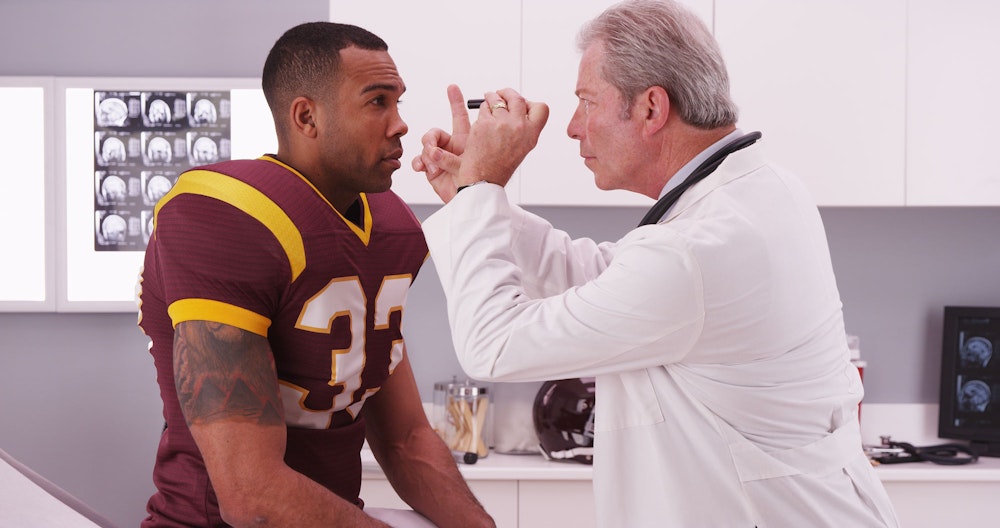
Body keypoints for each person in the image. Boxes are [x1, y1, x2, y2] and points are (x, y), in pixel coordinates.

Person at [412, 0, 900, 526]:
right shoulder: (764, 193)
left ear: (650, 108)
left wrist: (482, 189)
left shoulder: (693, 253)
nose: (573, 127)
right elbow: (607, 280)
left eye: (586, 102)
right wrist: (472, 200)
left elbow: (493, 346)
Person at [137, 22, 494, 528]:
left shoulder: (391, 224)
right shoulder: (225, 217)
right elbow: (251, 496)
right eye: (377, 103)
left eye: (398, 103)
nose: (400, 125)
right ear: (307, 117)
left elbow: (405, 437)